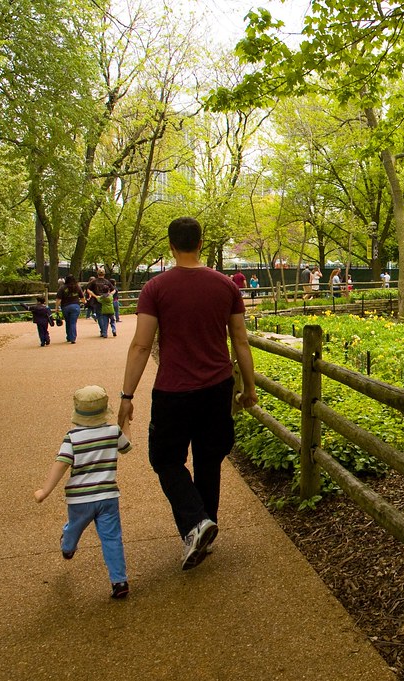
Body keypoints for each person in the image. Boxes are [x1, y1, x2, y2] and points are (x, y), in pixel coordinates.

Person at [118, 216, 258, 571]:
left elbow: (140, 345)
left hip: (174, 391)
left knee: (165, 460)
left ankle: (196, 524)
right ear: (200, 243)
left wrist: (126, 395)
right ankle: (203, 529)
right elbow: (240, 341)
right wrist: (250, 388)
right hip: (217, 388)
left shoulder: (156, 288)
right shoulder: (226, 286)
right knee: (208, 461)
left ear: (171, 245)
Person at [33, 385, 133, 599]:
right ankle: (119, 581)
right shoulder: (113, 432)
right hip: (108, 497)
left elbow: (61, 464)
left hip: (80, 499)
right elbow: (126, 447)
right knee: (112, 538)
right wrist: (125, 421)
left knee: (74, 527)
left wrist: (45, 491)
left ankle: (68, 547)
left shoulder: (72, 437)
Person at [56, 275, 84, 343]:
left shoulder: (62, 288)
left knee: (68, 322)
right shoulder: (77, 287)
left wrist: (57, 308)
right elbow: (82, 298)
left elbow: (58, 299)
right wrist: (84, 302)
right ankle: (73, 338)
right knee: (73, 322)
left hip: (65, 307)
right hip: (75, 306)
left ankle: (68, 336)